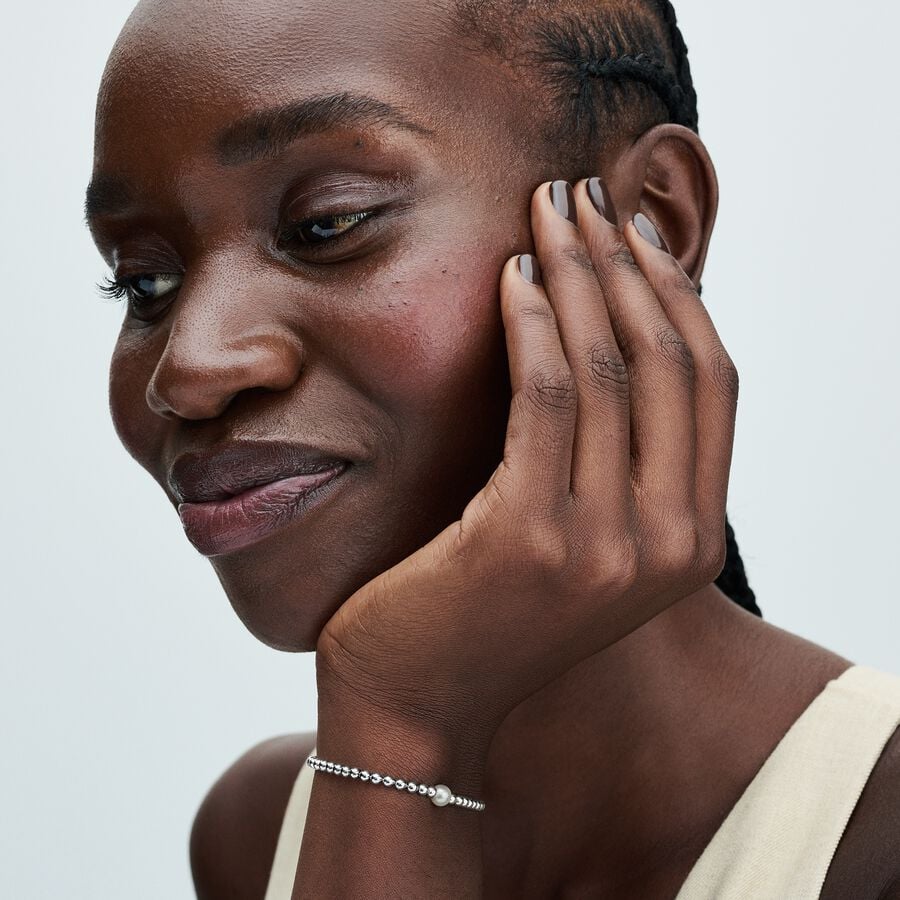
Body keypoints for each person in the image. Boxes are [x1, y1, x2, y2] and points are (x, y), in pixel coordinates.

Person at [84, 0, 900, 896]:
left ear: (652, 224)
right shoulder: (255, 837)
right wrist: (395, 725)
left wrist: (398, 721)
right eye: (144, 282)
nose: (189, 370)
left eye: (327, 223)